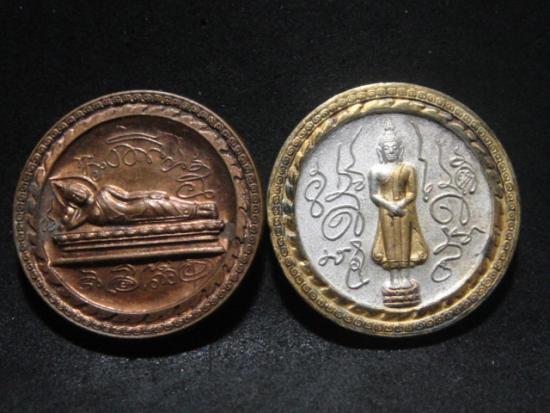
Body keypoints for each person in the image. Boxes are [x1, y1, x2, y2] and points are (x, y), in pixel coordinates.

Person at [368, 119, 428, 289]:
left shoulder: (408, 169)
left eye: (394, 147)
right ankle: (394, 278)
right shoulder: (375, 170)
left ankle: (406, 277)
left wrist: (400, 204)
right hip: (386, 211)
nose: (391, 150)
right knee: (390, 242)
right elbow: (374, 194)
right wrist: (390, 206)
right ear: (380, 150)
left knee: (405, 240)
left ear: (400, 149)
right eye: (387, 148)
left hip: (404, 210)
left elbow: (412, 193)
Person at [51, 177, 218, 230]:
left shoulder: (105, 191)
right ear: (73, 200)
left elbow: (128, 196)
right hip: (132, 221)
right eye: (74, 196)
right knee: (171, 216)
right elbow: (68, 225)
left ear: (84, 187)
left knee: (169, 206)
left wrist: (150, 193)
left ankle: (203, 209)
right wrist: (71, 207)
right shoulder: (87, 214)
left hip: (140, 206)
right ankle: (202, 212)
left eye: (78, 190)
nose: (79, 194)